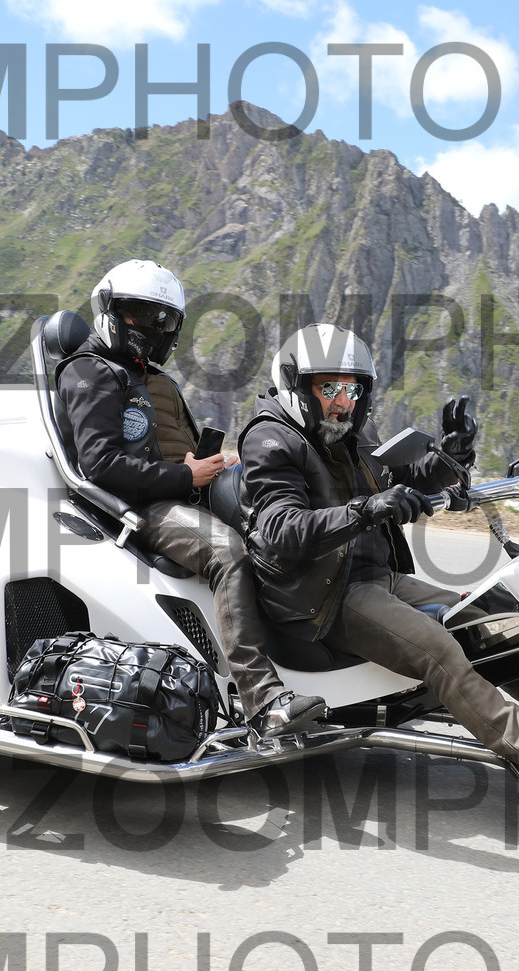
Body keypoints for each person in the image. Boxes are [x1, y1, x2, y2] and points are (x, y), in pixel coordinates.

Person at [237, 323, 519, 793]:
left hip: (375, 575)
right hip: (322, 595)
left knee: (483, 622)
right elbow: (280, 529)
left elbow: (402, 477)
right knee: (440, 649)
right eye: (329, 389)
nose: (342, 401)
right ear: (297, 386)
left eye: (352, 389)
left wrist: (453, 454)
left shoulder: (350, 433)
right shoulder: (270, 440)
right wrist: (365, 510)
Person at [56, 260, 324, 735]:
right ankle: (263, 700)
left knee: (288, 526)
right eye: (141, 314)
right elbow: (101, 465)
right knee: (228, 552)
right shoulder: (89, 371)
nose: (154, 328)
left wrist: (218, 464)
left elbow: (177, 447)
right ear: (110, 310)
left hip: (183, 493)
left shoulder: (153, 377)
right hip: (141, 508)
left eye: (165, 319)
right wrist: (187, 477)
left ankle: (319, 663)